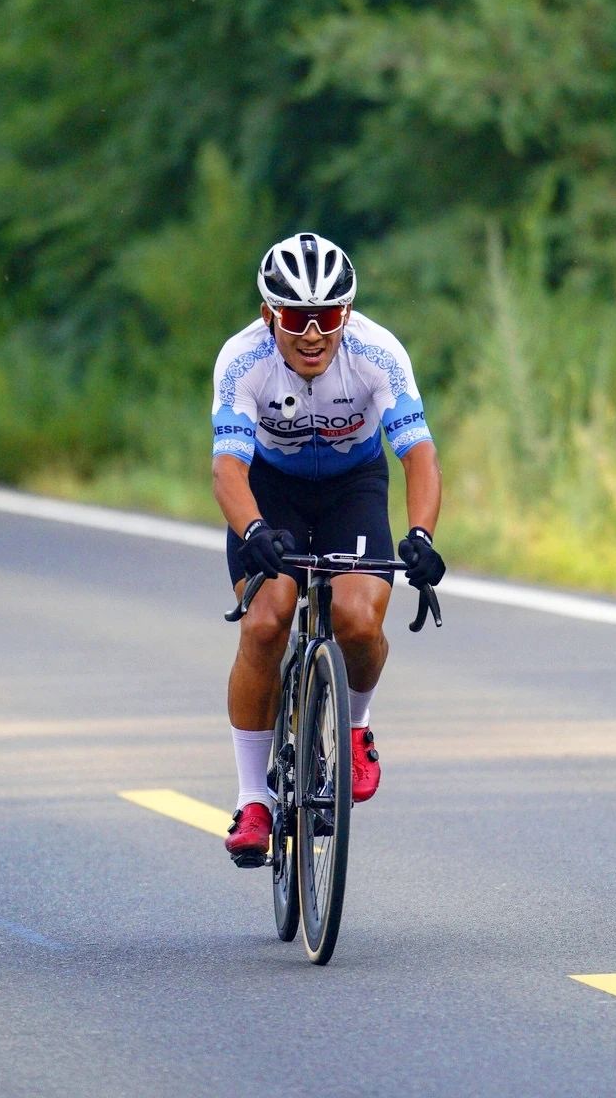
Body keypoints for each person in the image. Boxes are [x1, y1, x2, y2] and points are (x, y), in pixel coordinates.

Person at [211, 230, 445, 866]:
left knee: (358, 620)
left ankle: (356, 727)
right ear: (269, 315)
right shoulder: (241, 360)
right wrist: (254, 530)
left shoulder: (376, 352)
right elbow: (227, 469)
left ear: (347, 313)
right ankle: (254, 799)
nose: (312, 334)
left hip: (352, 487)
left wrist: (421, 535)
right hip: (270, 491)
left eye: (327, 317)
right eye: (295, 318)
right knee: (265, 623)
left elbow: (418, 454)